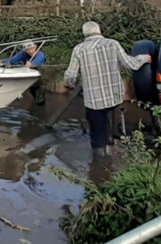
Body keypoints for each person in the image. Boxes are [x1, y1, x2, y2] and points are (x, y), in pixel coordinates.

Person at [64, 22, 151, 157]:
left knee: (97, 131)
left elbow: (71, 76)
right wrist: (143, 58)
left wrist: (69, 84)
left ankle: (100, 163)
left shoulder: (79, 49)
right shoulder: (113, 44)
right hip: (113, 97)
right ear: (99, 31)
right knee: (110, 117)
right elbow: (130, 64)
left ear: (84, 34)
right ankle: (110, 144)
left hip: (94, 100)